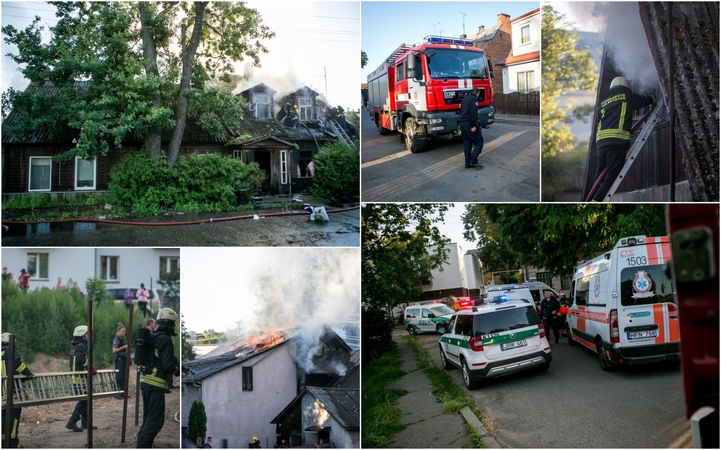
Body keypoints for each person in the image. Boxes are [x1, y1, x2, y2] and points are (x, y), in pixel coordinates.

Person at [591, 76, 656, 201]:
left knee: (599, 174)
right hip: (616, 141)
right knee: (613, 173)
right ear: (626, 88)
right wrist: (653, 97)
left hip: (601, 143)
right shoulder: (627, 97)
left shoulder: (603, 104)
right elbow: (644, 100)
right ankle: (597, 201)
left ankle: (592, 197)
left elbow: (599, 122)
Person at [137, 308, 179, 448]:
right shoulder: (165, 339)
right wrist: (177, 370)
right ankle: (143, 446)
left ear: (159, 321)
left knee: (148, 418)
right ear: (172, 324)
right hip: (156, 384)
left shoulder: (153, 336)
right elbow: (167, 366)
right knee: (155, 420)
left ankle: (142, 444)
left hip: (146, 381)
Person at [2, 333, 35, 448]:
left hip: (2, 395)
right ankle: (13, 443)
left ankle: (3, 443)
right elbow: (17, 363)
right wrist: (27, 373)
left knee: (3, 420)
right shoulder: (11, 350)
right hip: (12, 393)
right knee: (14, 418)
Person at [66, 325, 97, 432]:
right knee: (84, 401)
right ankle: (72, 421)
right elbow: (81, 359)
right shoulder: (81, 346)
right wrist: (90, 366)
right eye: (88, 334)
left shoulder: (76, 346)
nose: (89, 336)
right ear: (83, 336)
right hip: (80, 380)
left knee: (87, 401)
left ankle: (86, 424)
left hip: (79, 379)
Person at [459, 87, 485, 169]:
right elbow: (474, 114)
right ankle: (473, 160)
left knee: (467, 144)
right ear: (477, 93)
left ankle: (467, 163)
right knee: (479, 142)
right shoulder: (474, 100)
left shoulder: (464, 99)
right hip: (469, 124)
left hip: (462, 123)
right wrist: (475, 125)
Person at [112, 323, 128, 400]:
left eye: (124, 331)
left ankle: (122, 392)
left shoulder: (123, 339)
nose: (123, 333)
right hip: (119, 360)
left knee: (123, 377)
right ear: (118, 331)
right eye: (122, 331)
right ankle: (115, 392)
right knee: (118, 377)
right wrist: (123, 347)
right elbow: (114, 350)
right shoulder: (116, 339)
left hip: (124, 360)